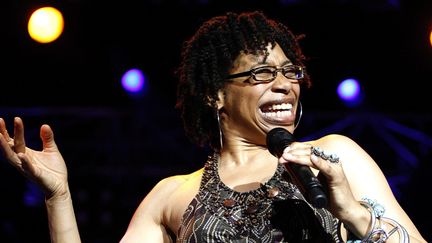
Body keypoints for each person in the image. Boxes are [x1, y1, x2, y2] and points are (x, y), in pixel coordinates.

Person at [0, 11, 427, 243]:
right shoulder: (173, 196)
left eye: (290, 71)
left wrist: (351, 212)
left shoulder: (334, 156)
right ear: (215, 95)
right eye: (261, 73)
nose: (284, 84)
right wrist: (59, 197)